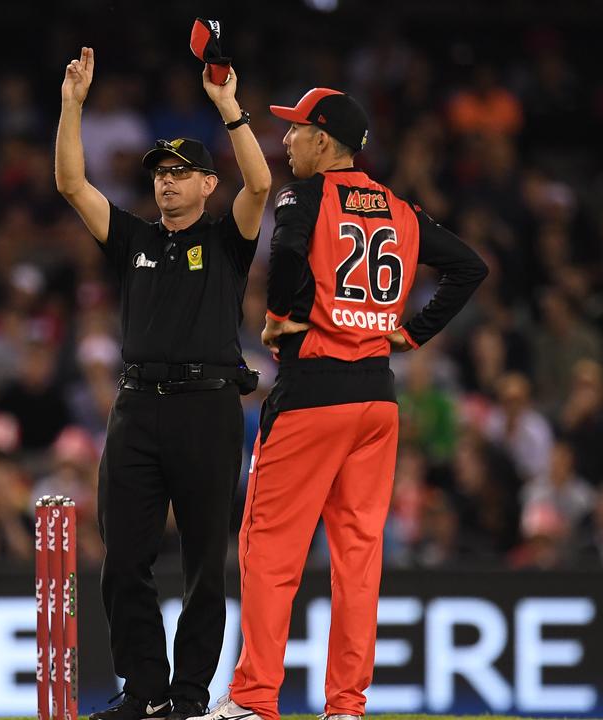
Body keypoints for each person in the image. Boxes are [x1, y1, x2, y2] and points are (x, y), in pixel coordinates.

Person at [193, 88, 486, 720]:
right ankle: (347, 708)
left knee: (270, 551)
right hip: (376, 401)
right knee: (358, 557)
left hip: (312, 395)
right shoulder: (401, 211)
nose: (287, 141)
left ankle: (252, 701)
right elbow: (469, 267)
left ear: (324, 141)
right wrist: (411, 333)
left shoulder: (305, 194)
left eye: (296, 131)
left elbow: (291, 251)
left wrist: (278, 318)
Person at [55, 47, 270, 720]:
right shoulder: (133, 240)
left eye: (182, 173)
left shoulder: (228, 240)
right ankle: (144, 691)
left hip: (208, 406)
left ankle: (188, 697)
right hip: (136, 405)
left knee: (206, 564)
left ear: (209, 183)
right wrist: (72, 107)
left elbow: (261, 186)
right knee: (122, 562)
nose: (168, 183)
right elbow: (71, 185)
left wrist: (230, 110)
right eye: (161, 174)